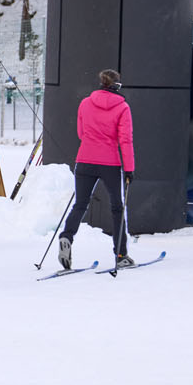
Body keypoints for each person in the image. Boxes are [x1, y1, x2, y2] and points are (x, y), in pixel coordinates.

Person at [58, 69, 135, 269]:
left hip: (84, 160)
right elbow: (125, 140)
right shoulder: (123, 107)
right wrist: (129, 169)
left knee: (80, 205)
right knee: (117, 208)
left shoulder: (85, 103)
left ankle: (66, 236)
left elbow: (81, 133)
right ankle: (121, 255)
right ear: (116, 86)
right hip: (110, 163)